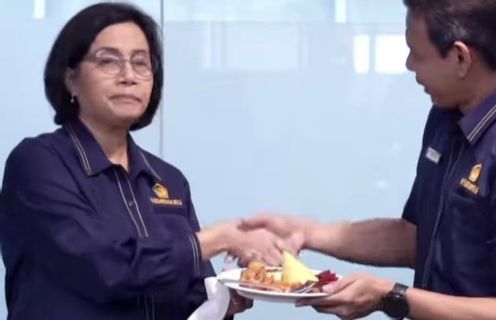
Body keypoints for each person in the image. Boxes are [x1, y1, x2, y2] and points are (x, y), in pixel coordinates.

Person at [243, 0, 496, 319]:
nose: (409, 64)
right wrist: (307, 233)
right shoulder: (447, 116)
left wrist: (391, 296)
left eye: (417, 52)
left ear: (460, 58)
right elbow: (418, 236)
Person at [0, 3, 284, 319]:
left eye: (141, 63)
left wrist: (229, 297)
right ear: (70, 79)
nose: (128, 76)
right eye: (108, 61)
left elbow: (192, 295)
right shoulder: (38, 164)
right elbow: (105, 269)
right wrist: (218, 238)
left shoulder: (168, 180)